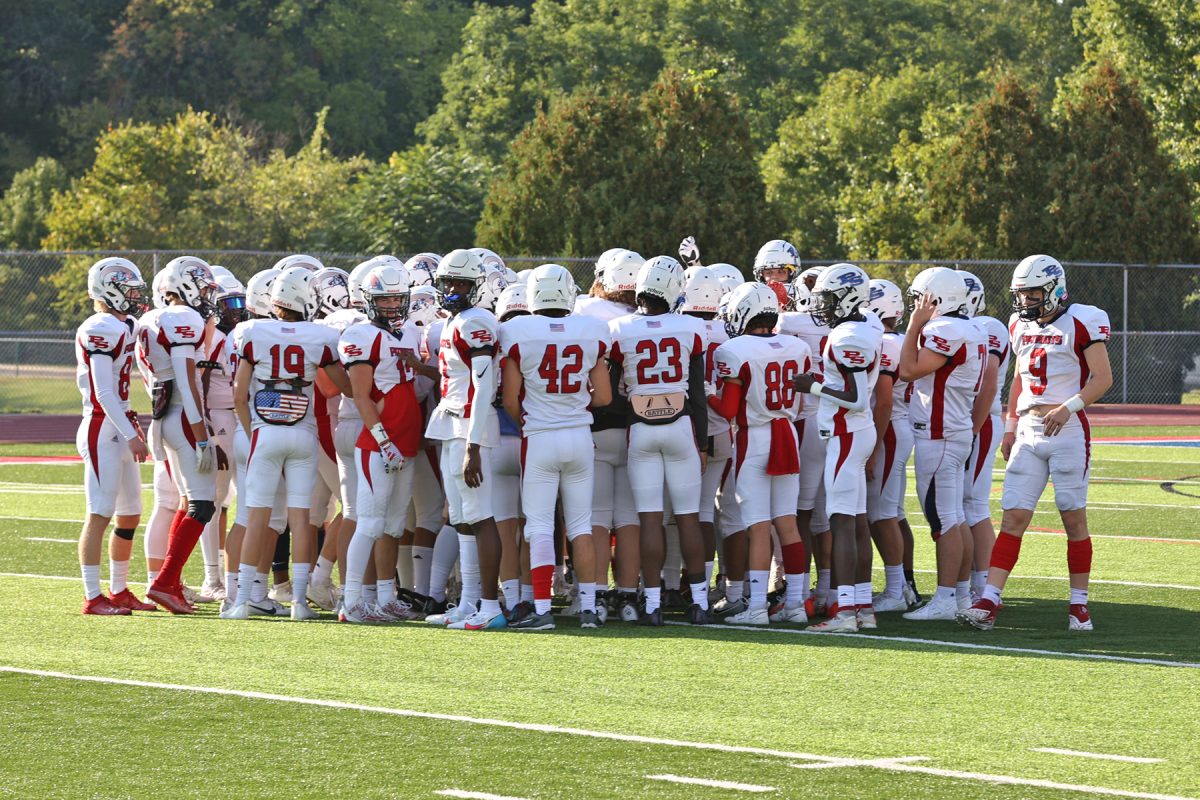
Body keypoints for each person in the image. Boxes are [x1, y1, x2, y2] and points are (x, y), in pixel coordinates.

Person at [959, 255, 1112, 631]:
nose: (1025, 301)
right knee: (1013, 516)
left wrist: (1068, 407)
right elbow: (1018, 378)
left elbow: (1103, 377)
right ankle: (989, 600)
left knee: (1072, 517)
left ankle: (1079, 605)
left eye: (1032, 293)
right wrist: (1010, 427)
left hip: (1068, 429)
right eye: (1021, 294)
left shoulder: (1082, 319)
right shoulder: (1017, 324)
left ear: (1055, 290)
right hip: (1028, 427)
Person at [222, 267, 347, 620]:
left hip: (264, 433)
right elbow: (342, 387)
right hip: (303, 434)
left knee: (255, 517)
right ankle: (299, 604)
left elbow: (239, 396)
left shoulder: (251, 332)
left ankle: (244, 600)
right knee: (301, 518)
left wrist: (253, 430)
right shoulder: (320, 337)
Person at [500, 264, 612, 629]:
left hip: (541, 437)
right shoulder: (590, 331)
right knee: (581, 524)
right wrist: (573, 405)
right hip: (580, 436)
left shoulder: (518, 331)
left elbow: (511, 399)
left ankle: (544, 610)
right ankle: (590, 609)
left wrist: (532, 418)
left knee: (540, 526)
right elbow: (605, 396)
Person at [609, 256, 710, 625]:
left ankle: (652, 605)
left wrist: (637, 403)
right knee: (688, 518)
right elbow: (697, 395)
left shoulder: (619, 328)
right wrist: (703, 444)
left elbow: (611, 390)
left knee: (650, 521)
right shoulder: (692, 328)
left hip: (640, 430)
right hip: (682, 427)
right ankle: (699, 602)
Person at [712, 282, 812, 625]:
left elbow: (727, 410)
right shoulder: (797, 347)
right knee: (787, 523)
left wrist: (706, 391)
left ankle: (756, 608)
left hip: (754, 438)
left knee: (757, 526)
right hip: (787, 434)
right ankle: (796, 604)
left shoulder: (733, 350)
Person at [423, 249, 509, 630]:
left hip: (470, 427)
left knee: (482, 517)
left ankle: (490, 607)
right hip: (453, 423)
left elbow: (483, 384)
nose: (453, 290)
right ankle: (468, 602)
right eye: (448, 283)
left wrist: (473, 446)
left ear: (477, 287)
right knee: (462, 520)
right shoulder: (457, 320)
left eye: (461, 283)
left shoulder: (477, 322)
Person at [793, 263, 881, 633]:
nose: (822, 307)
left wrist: (811, 386)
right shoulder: (864, 327)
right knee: (856, 521)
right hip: (857, 432)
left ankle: (846, 612)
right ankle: (863, 606)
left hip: (848, 431)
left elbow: (856, 398)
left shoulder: (849, 336)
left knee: (841, 521)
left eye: (828, 300)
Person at [336, 263, 426, 623]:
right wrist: (383, 439)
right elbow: (360, 395)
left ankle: (387, 596)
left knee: (393, 525)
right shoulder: (361, 336)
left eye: (396, 298)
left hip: (405, 441)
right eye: (384, 298)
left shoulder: (406, 335)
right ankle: (353, 600)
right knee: (369, 523)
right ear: (369, 301)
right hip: (379, 444)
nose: (391, 305)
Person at [899, 267, 988, 621]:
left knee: (943, 521)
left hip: (940, 434)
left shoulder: (943, 329)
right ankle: (960, 596)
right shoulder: (970, 328)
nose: (916, 306)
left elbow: (908, 369)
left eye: (921, 299)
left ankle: (946, 598)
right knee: (956, 517)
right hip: (954, 429)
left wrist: (913, 325)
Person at [140, 256, 225, 614]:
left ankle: (168, 581)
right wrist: (201, 434)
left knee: (188, 501)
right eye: (203, 288)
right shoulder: (183, 318)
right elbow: (187, 382)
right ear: (186, 286)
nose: (206, 296)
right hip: (182, 417)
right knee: (204, 504)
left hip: (162, 418)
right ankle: (164, 582)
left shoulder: (149, 319)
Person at [75, 258, 153, 615]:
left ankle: (119, 590)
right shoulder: (100, 327)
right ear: (110, 291)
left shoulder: (124, 325)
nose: (137, 297)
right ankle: (93, 597)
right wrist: (132, 434)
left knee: (130, 513)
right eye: (130, 291)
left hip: (119, 423)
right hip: (101, 425)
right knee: (100, 513)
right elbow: (104, 392)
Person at [864, 278, 915, 613]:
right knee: (894, 515)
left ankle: (896, 590)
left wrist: (873, 447)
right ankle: (906, 585)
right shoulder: (898, 341)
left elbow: (883, 402)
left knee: (881, 515)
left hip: (889, 429)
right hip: (899, 426)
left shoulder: (884, 343)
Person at [957, 270, 1009, 599]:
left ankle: (985, 588)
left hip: (981, 420)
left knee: (973, 505)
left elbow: (988, 382)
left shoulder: (988, 327)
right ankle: (978, 585)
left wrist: (973, 429)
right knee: (963, 504)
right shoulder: (961, 328)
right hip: (967, 421)